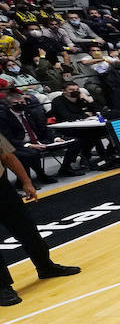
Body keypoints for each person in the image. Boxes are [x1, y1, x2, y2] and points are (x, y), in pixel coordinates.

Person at [0, 131, 81, 306]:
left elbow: (7, 156)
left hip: (2, 188)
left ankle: (45, 266)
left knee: (27, 228)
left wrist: (26, 182)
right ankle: (2, 287)